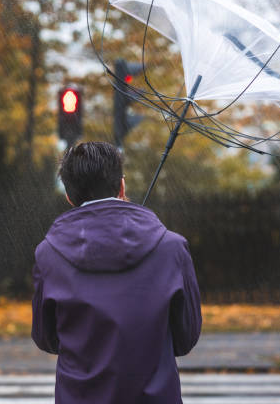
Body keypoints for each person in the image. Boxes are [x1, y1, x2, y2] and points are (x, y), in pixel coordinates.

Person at [31, 141, 202, 404]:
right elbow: (185, 338)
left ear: (69, 196)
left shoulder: (48, 254)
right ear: (121, 186)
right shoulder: (172, 248)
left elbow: (47, 339)